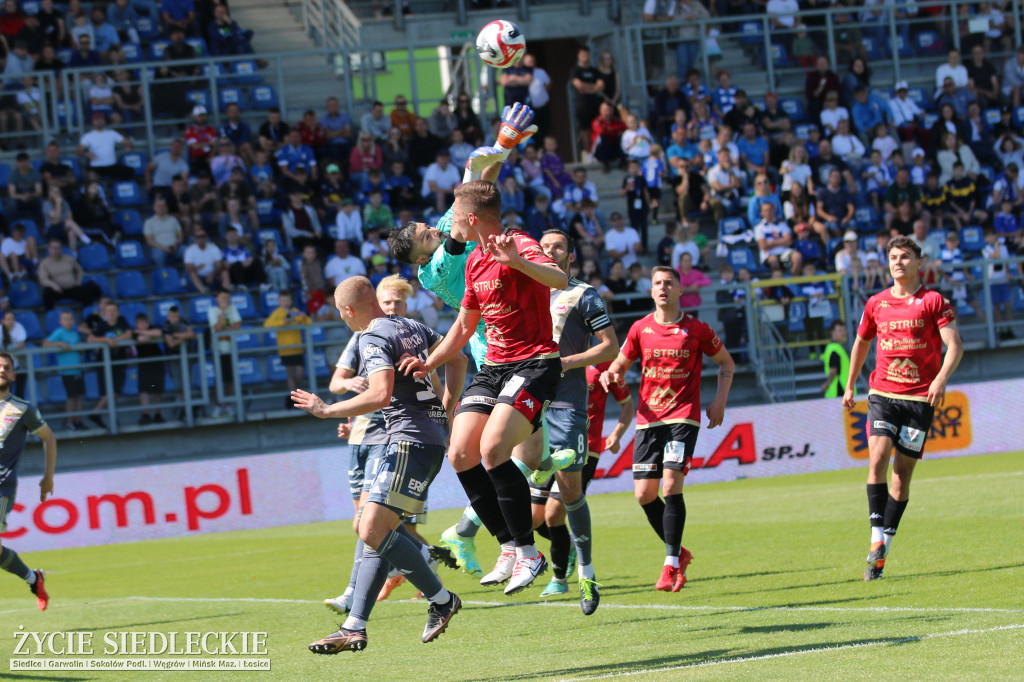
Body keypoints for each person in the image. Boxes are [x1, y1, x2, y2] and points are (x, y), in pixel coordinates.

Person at [397, 173, 568, 595]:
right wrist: (429, 362)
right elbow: (464, 324)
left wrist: (518, 263)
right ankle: (509, 545)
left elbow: (559, 280)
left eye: (454, 216)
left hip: (535, 364)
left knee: (492, 449)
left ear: (471, 218)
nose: (447, 223)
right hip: (494, 368)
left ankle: (529, 553)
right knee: (461, 452)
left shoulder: (520, 243)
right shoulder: (473, 260)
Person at [293, 277, 467, 654]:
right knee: (376, 531)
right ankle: (354, 625)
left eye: (341, 315)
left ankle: (440, 599)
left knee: (369, 527)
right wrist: (446, 408)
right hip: (414, 437)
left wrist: (327, 410)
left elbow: (380, 393)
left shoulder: (369, 337)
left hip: (410, 439)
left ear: (348, 311)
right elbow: (459, 358)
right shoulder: (410, 326)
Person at [600, 267, 734, 591]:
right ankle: (680, 552)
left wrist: (719, 401)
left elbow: (727, 363)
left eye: (669, 283)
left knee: (671, 485)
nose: (663, 288)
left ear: (679, 289)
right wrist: (611, 374)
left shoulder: (696, 329)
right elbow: (620, 363)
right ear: (651, 291)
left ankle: (670, 564)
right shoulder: (640, 329)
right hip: (649, 420)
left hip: (682, 418)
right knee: (645, 494)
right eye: (658, 283)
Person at [509, 229, 618, 611]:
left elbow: (610, 346)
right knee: (503, 462)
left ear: (570, 257)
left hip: (567, 404)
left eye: (558, 247)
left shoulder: (583, 294)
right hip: (529, 399)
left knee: (570, 493)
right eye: (544, 247)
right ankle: (511, 550)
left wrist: (564, 363)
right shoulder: (526, 291)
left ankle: (586, 573)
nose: (550, 251)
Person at [843, 236, 963, 581]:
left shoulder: (934, 301)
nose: (898, 262)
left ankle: (884, 551)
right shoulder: (876, 303)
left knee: (901, 476)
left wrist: (941, 379)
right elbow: (861, 342)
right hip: (882, 394)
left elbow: (954, 345)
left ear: (918, 263)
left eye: (905, 256)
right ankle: (875, 539)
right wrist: (851, 384)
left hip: (919, 400)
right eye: (893, 257)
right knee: (877, 458)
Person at [0, 351, 56, 611]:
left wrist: (47, 477)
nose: (2, 370)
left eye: (6, 367)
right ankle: (34, 578)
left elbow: (49, 438)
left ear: (13, 374)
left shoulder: (22, 408)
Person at [87, 300, 132, 430]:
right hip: (103, 363)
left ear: (118, 312)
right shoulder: (101, 325)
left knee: (116, 391)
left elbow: (129, 334)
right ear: (105, 313)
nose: (112, 313)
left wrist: (115, 340)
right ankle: (110, 418)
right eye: (109, 311)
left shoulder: (122, 321)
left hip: (119, 362)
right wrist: (106, 339)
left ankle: (96, 412)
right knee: (107, 392)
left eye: (114, 311)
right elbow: (90, 339)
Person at [263, 290, 311, 406]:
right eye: (282, 300)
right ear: (279, 302)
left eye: (287, 300)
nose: (285, 302)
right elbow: (267, 324)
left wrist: (304, 317)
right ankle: (293, 399)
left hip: (298, 348)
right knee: (290, 374)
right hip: (285, 350)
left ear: (290, 301)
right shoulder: (277, 313)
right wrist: (282, 322)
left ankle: (294, 394)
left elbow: (308, 322)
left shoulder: (294, 312)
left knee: (300, 373)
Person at [36, 239, 101, 310]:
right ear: (49, 249)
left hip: (72, 288)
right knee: (47, 294)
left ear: (61, 249)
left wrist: (78, 281)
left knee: (89, 291)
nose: (56, 250)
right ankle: (51, 315)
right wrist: (53, 285)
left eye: (58, 248)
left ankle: (87, 314)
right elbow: (43, 279)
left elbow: (79, 270)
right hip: (57, 290)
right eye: (54, 248)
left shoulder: (68, 259)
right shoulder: (44, 263)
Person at [132, 312, 165, 424]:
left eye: (145, 323)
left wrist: (143, 332)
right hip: (144, 364)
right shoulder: (134, 333)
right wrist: (149, 335)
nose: (142, 325)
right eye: (140, 324)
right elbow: (142, 340)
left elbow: (159, 333)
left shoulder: (151, 328)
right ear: (136, 324)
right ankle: (145, 414)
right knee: (144, 389)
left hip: (156, 363)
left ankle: (157, 414)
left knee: (156, 389)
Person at [143, 195, 183, 267]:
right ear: (154, 208)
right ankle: (163, 276)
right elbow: (149, 240)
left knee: (187, 252)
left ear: (167, 208)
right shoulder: (149, 222)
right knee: (158, 256)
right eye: (159, 206)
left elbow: (180, 235)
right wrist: (164, 248)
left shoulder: (173, 219)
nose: (162, 208)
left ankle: (186, 277)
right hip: (159, 248)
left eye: (164, 206)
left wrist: (176, 244)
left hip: (175, 247)